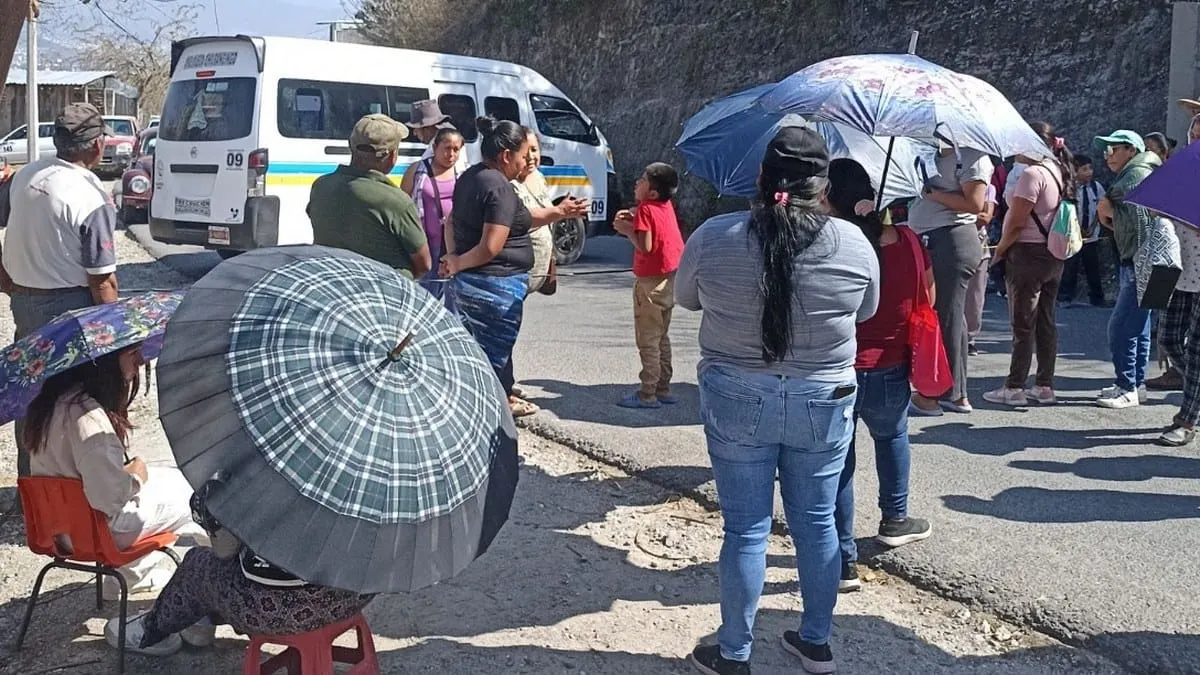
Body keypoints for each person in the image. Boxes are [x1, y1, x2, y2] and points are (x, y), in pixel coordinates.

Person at [677, 126, 879, 675]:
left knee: (746, 528)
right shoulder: (854, 242)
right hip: (823, 395)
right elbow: (864, 312)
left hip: (737, 392)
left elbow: (686, 298)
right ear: (824, 186)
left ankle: (734, 651)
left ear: (761, 178)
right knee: (816, 523)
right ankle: (815, 642)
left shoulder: (715, 235)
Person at [103, 479, 374, 657]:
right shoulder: (368, 473)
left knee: (200, 563)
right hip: (348, 597)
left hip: (273, 611)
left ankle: (153, 631)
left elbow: (224, 552)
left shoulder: (259, 473)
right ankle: (199, 620)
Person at [827, 159, 932, 595]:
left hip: (840, 365)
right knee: (892, 437)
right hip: (891, 363)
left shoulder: (835, 243)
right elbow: (928, 296)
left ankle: (842, 561)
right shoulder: (907, 239)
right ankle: (895, 518)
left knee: (839, 462)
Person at [25, 345, 205, 595]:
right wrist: (135, 478)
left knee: (169, 477)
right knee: (198, 491)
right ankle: (223, 578)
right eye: (132, 354)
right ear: (103, 362)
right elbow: (108, 499)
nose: (141, 361)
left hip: (58, 530)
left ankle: (131, 575)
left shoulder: (48, 407)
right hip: (97, 534)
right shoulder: (88, 418)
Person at [1, 103, 120, 479]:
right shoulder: (89, 196)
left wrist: (5, 280)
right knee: (77, 398)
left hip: (25, 302)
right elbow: (102, 280)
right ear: (97, 145)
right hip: (71, 309)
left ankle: (32, 482)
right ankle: (77, 486)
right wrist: (116, 340)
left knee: (32, 392)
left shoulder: (28, 176)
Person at [442, 117, 538, 417]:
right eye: (524, 156)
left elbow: (450, 223)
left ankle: (481, 408)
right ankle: (490, 419)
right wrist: (457, 261)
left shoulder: (471, 176)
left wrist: (455, 257)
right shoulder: (499, 187)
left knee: (477, 354)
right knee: (492, 361)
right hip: (496, 286)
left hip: (472, 283)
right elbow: (490, 246)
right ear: (506, 156)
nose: (526, 163)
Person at [984, 122, 1074, 407]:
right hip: (1051, 253)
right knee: (1046, 321)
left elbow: (1016, 221)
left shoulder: (1030, 175)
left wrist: (1000, 251)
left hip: (1026, 253)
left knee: (1022, 323)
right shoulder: (1055, 171)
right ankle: (1044, 384)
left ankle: (1014, 387)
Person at [907, 141, 993, 416]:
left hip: (952, 238)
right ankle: (955, 392)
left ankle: (939, 393)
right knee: (952, 315)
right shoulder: (933, 154)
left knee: (947, 315)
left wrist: (932, 194)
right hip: (935, 238)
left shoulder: (972, 157)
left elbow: (975, 203)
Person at [509, 129, 589, 407]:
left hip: (539, 264)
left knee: (514, 326)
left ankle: (506, 380)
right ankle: (502, 385)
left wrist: (565, 212)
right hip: (516, 266)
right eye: (526, 151)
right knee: (508, 327)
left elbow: (547, 216)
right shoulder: (510, 184)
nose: (531, 157)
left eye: (535, 150)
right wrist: (560, 212)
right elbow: (524, 219)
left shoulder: (539, 178)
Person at [307, 114, 431, 280]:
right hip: (384, 295)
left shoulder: (321, 186)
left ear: (351, 147)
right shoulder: (396, 201)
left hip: (333, 287)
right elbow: (424, 264)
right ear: (392, 156)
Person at [1094, 130, 1161, 409]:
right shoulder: (1145, 171)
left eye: (1115, 148)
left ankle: (1127, 386)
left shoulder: (1135, 175)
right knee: (1140, 326)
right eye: (1106, 150)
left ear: (1132, 150)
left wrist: (1106, 211)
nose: (1108, 154)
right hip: (1149, 260)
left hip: (1139, 260)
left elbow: (1120, 214)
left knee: (1121, 327)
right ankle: (1135, 383)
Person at [613, 162, 685, 409]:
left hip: (650, 284)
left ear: (652, 192)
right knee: (662, 336)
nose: (637, 182)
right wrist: (635, 219)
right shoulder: (665, 206)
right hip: (670, 280)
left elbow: (646, 246)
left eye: (642, 179)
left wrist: (626, 230)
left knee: (647, 339)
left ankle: (647, 393)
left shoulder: (646, 209)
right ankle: (663, 387)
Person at [1156, 115, 1200, 446]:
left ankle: (1185, 419)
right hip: (1170, 267)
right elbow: (1154, 210)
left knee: (1197, 351)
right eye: (1193, 135)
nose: (1195, 141)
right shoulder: (1177, 171)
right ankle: (1195, 390)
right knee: (1167, 339)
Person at [400, 126, 465, 294]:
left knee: (454, 298)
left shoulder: (465, 173)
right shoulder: (417, 171)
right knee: (425, 294)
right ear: (435, 148)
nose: (451, 154)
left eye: (456, 149)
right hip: (425, 245)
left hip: (454, 246)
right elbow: (402, 205)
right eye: (447, 148)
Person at [1058, 155, 1107, 307]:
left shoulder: (1096, 187)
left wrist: (1092, 227)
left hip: (1091, 236)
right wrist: (1077, 229)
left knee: (1093, 267)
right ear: (1075, 171)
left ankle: (1097, 298)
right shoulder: (1069, 188)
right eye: (1084, 169)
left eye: (1090, 168)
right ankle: (1065, 297)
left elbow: (1101, 208)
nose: (1089, 172)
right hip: (1072, 236)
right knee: (1070, 267)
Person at [965, 182, 998, 356]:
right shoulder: (950, 186)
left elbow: (985, 217)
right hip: (950, 246)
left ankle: (970, 337)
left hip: (979, 246)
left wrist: (957, 213)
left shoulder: (989, 188)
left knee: (975, 296)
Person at [408, 99, 471, 173]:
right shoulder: (454, 140)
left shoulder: (437, 148)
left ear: (427, 128)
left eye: (416, 129)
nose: (415, 133)